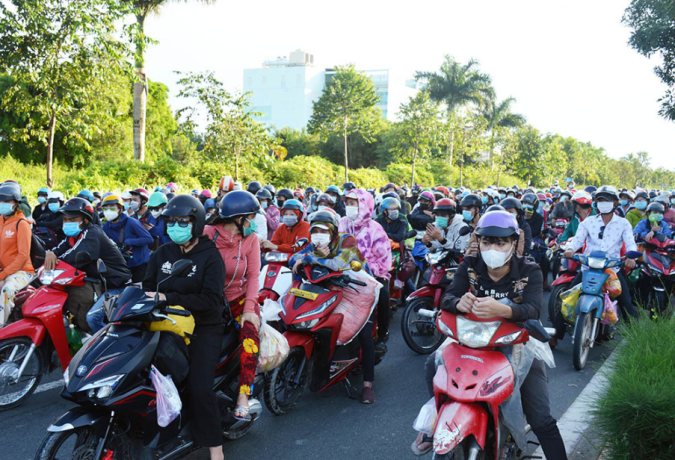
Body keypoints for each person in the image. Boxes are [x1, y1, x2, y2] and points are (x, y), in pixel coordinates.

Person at [412, 211, 567, 460]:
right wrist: (458, 303)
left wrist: (504, 310)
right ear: (479, 241)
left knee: (541, 418)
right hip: (471, 341)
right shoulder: (469, 265)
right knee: (433, 363)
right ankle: (439, 417)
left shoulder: (530, 270)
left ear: (514, 243)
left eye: (501, 243)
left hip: (518, 345)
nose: (492, 249)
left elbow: (534, 310)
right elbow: (449, 296)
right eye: (486, 242)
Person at [143, 194, 227, 460]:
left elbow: (211, 301)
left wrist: (169, 298)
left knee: (200, 388)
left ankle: (216, 451)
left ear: (196, 223)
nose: (175, 227)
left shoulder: (210, 257)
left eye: (182, 222)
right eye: (171, 222)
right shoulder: (163, 253)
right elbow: (148, 287)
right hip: (164, 323)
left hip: (203, 326)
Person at [289, 208, 377, 403]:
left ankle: (367, 385)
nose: (319, 234)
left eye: (323, 230)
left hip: (359, 291)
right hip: (331, 289)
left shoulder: (347, 240)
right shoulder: (313, 245)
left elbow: (337, 264)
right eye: (315, 230)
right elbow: (292, 259)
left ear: (333, 231)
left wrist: (309, 258)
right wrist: (304, 257)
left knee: (364, 334)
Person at [203, 190, 262, 421]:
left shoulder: (251, 239)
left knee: (250, 339)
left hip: (239, 299)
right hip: (209, 299)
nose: (254, 222)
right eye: (251, 217)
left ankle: (244, 395)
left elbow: (254, 276)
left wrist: (249, 310)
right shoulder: (207, 234)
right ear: (239, 218)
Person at [560, 185, 639, 341]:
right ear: (596, 203)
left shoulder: (623, 223)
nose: (604, 203)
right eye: (601, 200)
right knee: (569, 298)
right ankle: (556, 335)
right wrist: (570, 249)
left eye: (607, 200)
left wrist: (631, 257)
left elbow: (630, 243)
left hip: (611, 271)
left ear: (615, 202)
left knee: (626, 302)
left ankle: (637, 338)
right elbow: (577, 240)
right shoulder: (588, 222)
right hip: (588, 268)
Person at [43, 198, 131, 332]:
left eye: (72, 219)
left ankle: (108, 341)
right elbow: (60, 250)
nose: (67, 223)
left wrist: (55, 260)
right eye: (65, 219)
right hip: (98, 283)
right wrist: (50, 253)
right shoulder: (73, 236)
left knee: (93, 318)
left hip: (116, 286)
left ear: (85, 220)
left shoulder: (92, 233)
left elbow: (74, 256)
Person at [339, 189, 392, 358]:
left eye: (353, 203)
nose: (349, 207)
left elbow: (384, 260)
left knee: (383, 295)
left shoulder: (375, 229)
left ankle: (382, 334)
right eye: (348, 203)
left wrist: (366, 269)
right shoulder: (342, 223)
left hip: (371, 274)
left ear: (364, 205)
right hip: (343, 271)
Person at [0, 182, 34, 327]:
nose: (2, 204)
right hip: (5, 270)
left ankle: (1, 326)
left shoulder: (22, 224)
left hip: (23, 271)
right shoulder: (1, 221)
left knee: (7, 290)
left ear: (15, 204)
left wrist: (3, 275)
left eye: (7, 201)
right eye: (1, 201)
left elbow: (23, 256)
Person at [101, 195, 153, 283]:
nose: (108, 211)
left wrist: (130, 242)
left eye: (112, 208)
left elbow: (148, 239)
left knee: (138, 288)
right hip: (122, 266)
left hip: (139, 265)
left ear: (120, 209)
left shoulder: (132, 222)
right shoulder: (106, 226)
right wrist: (120, 247)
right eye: (105, 209)